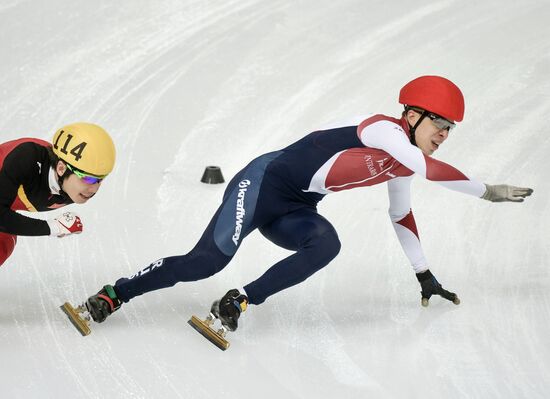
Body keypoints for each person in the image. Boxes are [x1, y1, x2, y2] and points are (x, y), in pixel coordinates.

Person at [84, 76, 533, 332]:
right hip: (261, 184)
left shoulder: (403, 163)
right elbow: (433, 170)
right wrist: (487, 191)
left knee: (326, 244)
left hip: (296, 208)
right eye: (440, 123)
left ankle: (238, 303)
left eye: (451, 129)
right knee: (205, 262)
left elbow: (400, 214)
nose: (444, 135)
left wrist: (425, 275)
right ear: (412, 116)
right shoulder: (382, 130)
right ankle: (115, 293)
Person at [0, 123, 116, 267]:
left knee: (3, 243)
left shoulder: (75, 188)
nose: (94, 188)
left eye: (101, 179)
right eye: (88, 178)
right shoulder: (25, 159)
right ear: (61, 169)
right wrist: (53, 227)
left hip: (6, 204)